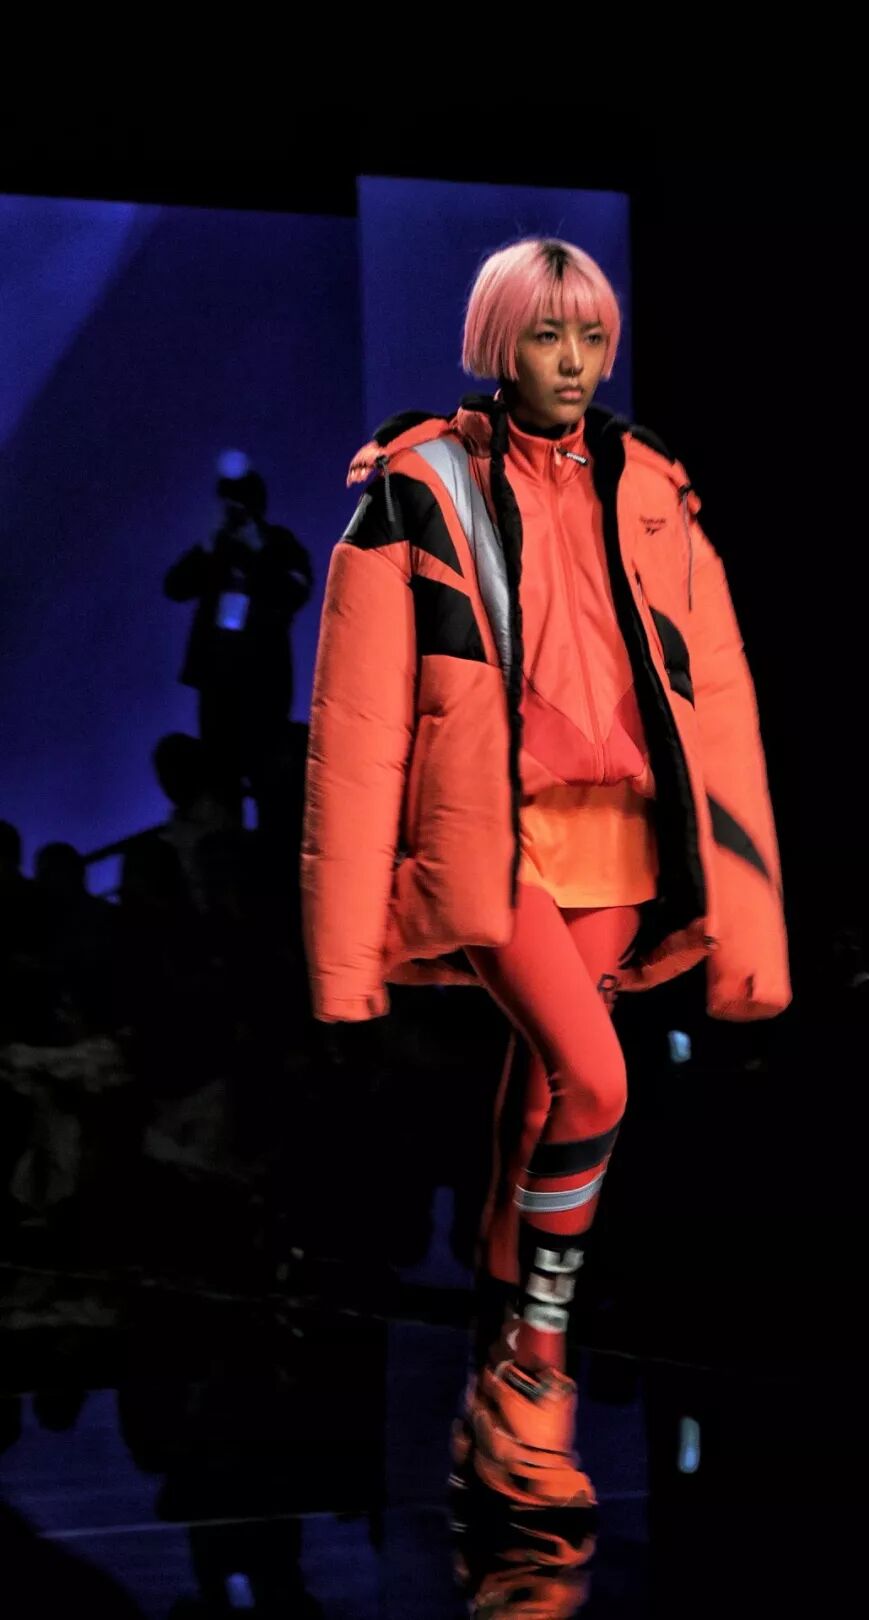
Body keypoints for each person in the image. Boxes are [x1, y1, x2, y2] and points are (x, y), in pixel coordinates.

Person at [300, 237, 792, 1512]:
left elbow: (720, 703)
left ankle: (493, 1379)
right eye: (545, 336)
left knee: (538, 1110)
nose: (572, 363)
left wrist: (752, 929)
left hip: (618, 837)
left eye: (590, 338)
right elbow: (357, 723)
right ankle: (537, 1382)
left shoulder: (653, 485)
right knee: (599, 1080)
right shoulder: (421, 484)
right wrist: (344, 955)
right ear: (497, 341)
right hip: (494, 835)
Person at [164, 468, 313, 822]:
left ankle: (271, 840)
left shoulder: (278, 543)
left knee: (269, 777)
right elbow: (174, 586)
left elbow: (296, 590)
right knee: (221, 778)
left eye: (237, 504)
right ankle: (227, 842)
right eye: (226, 505)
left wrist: (259, 550)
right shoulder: (217, 548)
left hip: (264, 683)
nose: (232, 512)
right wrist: (207, 546)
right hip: (217, 685)